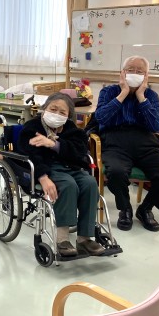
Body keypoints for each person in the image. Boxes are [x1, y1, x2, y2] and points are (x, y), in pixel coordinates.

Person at [95, 56, 159, 232]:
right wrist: (123, 93)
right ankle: (125, 209)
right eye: (130, 70)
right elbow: (101, 118)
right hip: (115, 141)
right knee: (116, 172)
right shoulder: (108, 91)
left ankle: (145, 209)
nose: (134, 73)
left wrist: (141, 96)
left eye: (140, 71)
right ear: (122, 73)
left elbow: (156, 125)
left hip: (145, 142)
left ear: (146, 76)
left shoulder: (151, 96)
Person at [18, 92, 104, 257]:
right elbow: (31, 155)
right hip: (48, 168)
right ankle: (62, 239)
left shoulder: (72, 130)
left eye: (62, 112)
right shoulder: (32, 128)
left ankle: (85, 238)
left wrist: (54, 144)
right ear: (45, 108)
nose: (57, 114)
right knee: (68, 185)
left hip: (71, 167)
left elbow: (80, 152)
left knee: (90, 183)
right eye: (53, 109)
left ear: (68, 116)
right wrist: (43, 178)